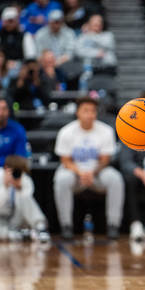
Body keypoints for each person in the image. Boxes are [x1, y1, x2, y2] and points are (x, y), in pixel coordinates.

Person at [53, 97, 124, 240]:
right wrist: (81, 173)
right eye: (85, 110)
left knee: (116, 179)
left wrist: (91, 172)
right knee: (62, 179)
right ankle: (66, 225)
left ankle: (113, 224)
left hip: (97, 171)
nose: (90, 114)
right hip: (74, 171)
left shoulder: (106, 130)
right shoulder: (66, 132)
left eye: (92, 111)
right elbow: (65, 160)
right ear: (78, 112)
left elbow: (105, 160)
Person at [0, 154, 50, 242]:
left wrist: (19, 189)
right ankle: (14, 235)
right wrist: (5, 187)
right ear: (5, 168)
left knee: (26, 199)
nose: (17, 174)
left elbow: (27, 206)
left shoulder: (25, 181)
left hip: (15, 221)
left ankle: (41, 229)